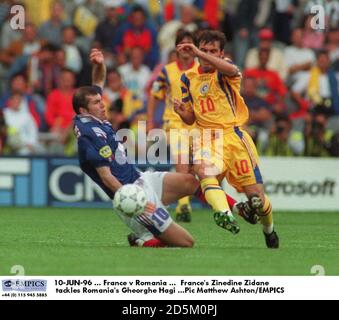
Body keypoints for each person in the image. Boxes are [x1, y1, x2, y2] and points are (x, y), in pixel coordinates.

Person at [73, 48, 258, 248]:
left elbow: (98, 83)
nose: (103, 105)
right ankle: (142, 239)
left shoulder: (92, 117)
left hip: (142, 179)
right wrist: (132, 201)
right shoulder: (89, 135)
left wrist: (99, 65)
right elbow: (106, 176)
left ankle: (238, 208)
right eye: (97, 103)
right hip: (132, 198)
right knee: (186, 242)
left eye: (101, 101)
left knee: (190, 182)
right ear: (84, 110)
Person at [174, 30, 279, 248]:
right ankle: (225, 214)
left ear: (221, 54)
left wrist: (195, 51)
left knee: (256, 199)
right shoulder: (187, 78)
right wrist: (181, 112)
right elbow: (191, 117)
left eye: (213, 51)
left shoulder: (225, 71)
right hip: (207, 138)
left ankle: (269, 230)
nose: (206, 55)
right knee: (202, 171)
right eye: (203, 50)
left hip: (234, 138)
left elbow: (232, 68)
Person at [147, 30, 198, 222]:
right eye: (182, 43)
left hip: (195, 123)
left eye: (189, 43)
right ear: (176, 48)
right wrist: (151, 121)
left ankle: (172, 199)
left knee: (193, 167)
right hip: (173, 122)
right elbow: (154, 95)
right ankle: (184, 205)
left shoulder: (201, 70)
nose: (185, 47)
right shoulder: (167, 70)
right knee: (182, 156)